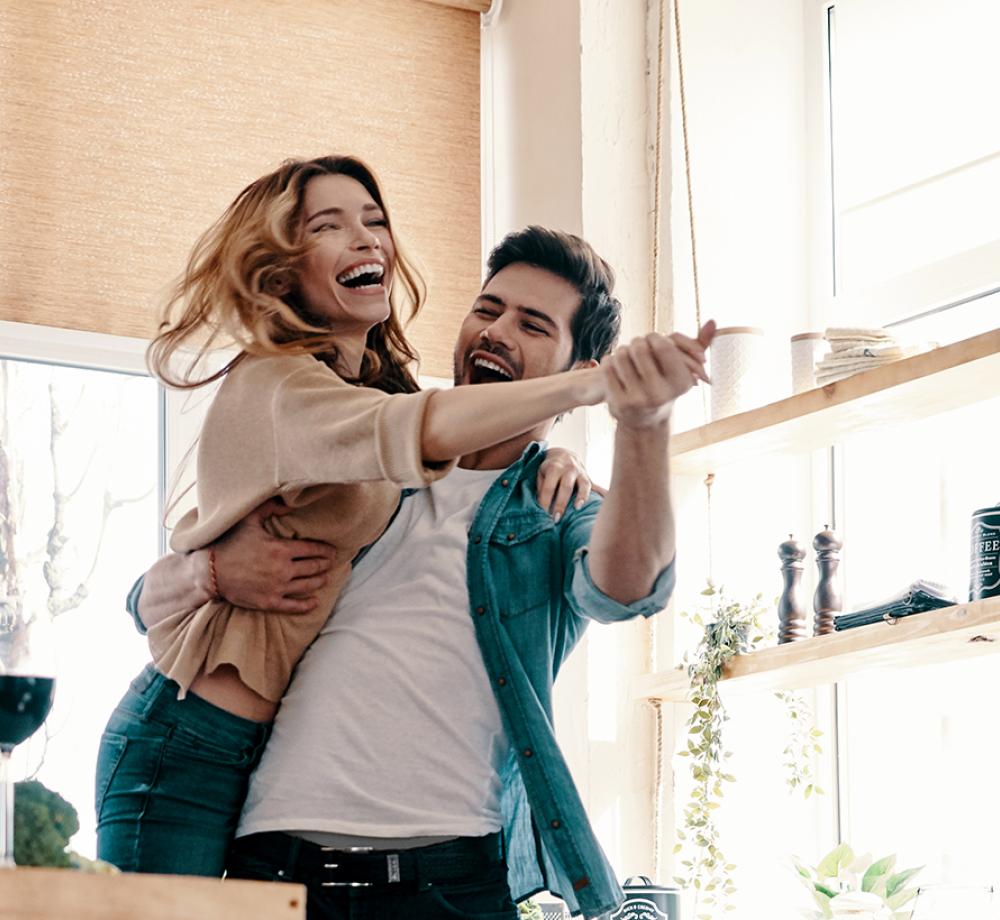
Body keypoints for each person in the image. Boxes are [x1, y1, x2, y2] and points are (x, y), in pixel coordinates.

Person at [122, 225, 715, 919]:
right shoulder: (363, 453)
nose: (495, 332)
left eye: (531, 324)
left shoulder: (561, 507)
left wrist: (642, 424)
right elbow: (143, 604)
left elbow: (625, 589)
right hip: (274, 868)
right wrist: (214, 573)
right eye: (487, 309)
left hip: (448, 886)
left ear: (581, 370)